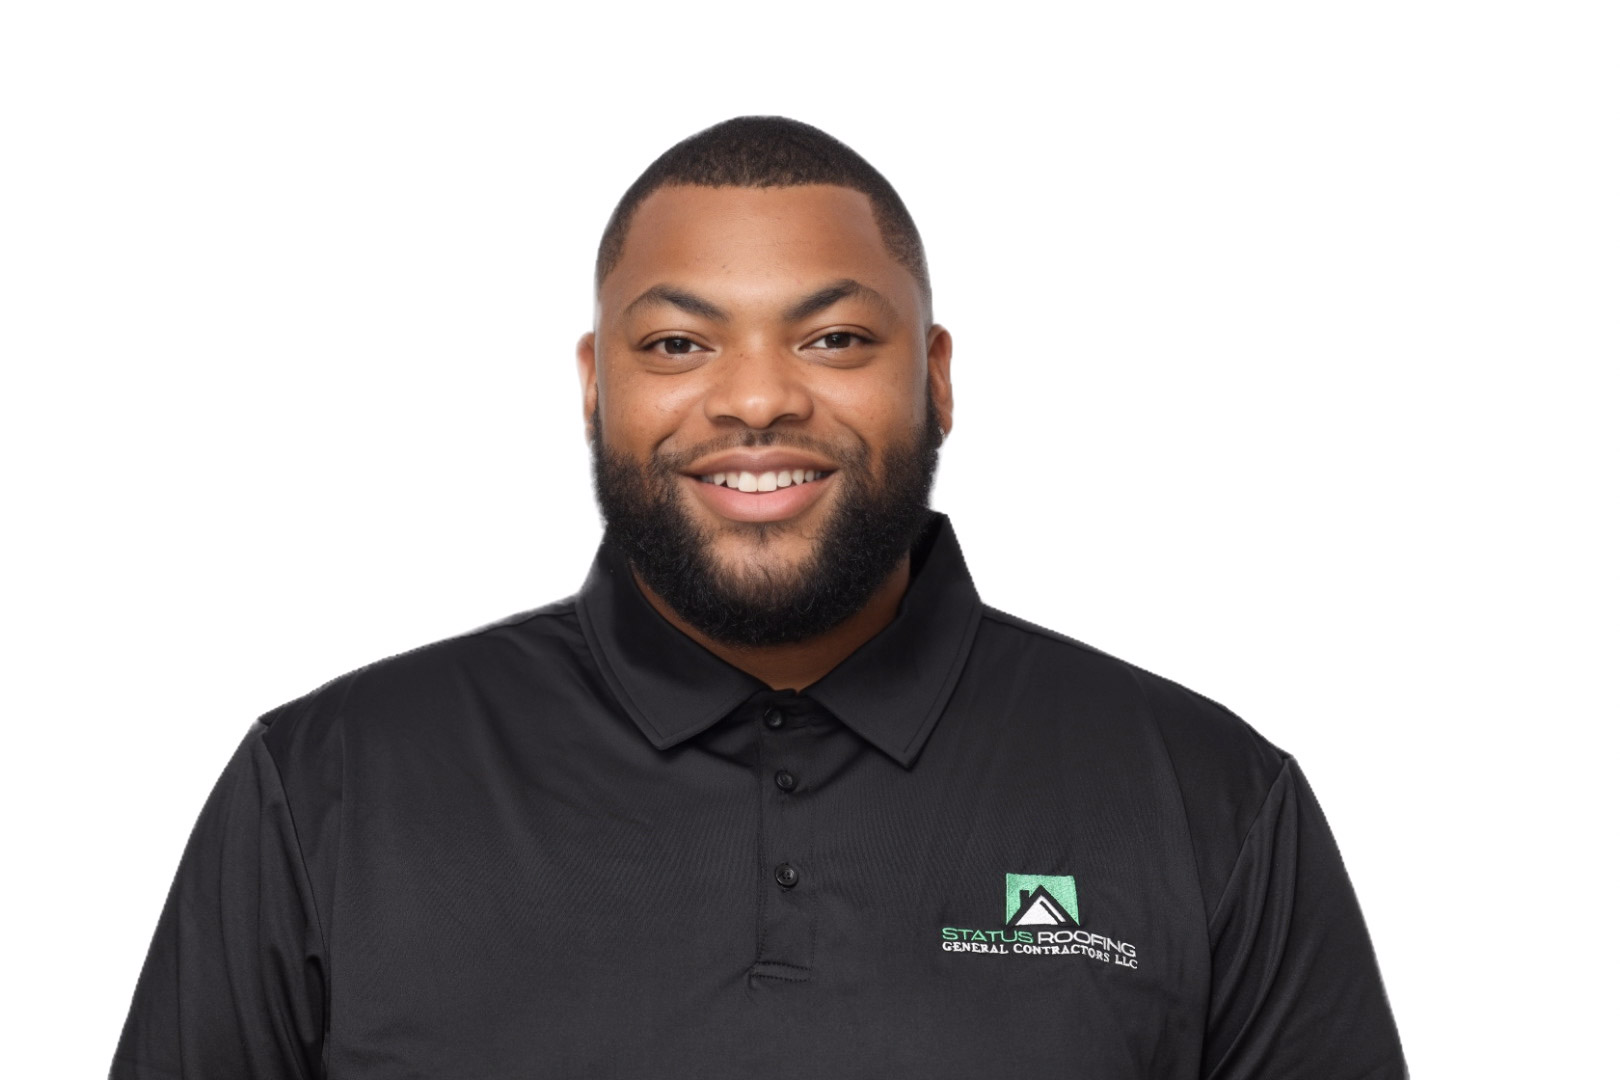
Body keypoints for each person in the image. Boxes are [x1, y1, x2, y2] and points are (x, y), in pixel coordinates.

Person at [111, 116, 1406, 1079]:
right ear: (596, 385)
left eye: (834, 339)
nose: (755, 398)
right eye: (679, 343)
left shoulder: (1208, 799)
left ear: (936, 378)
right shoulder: (327, 787)